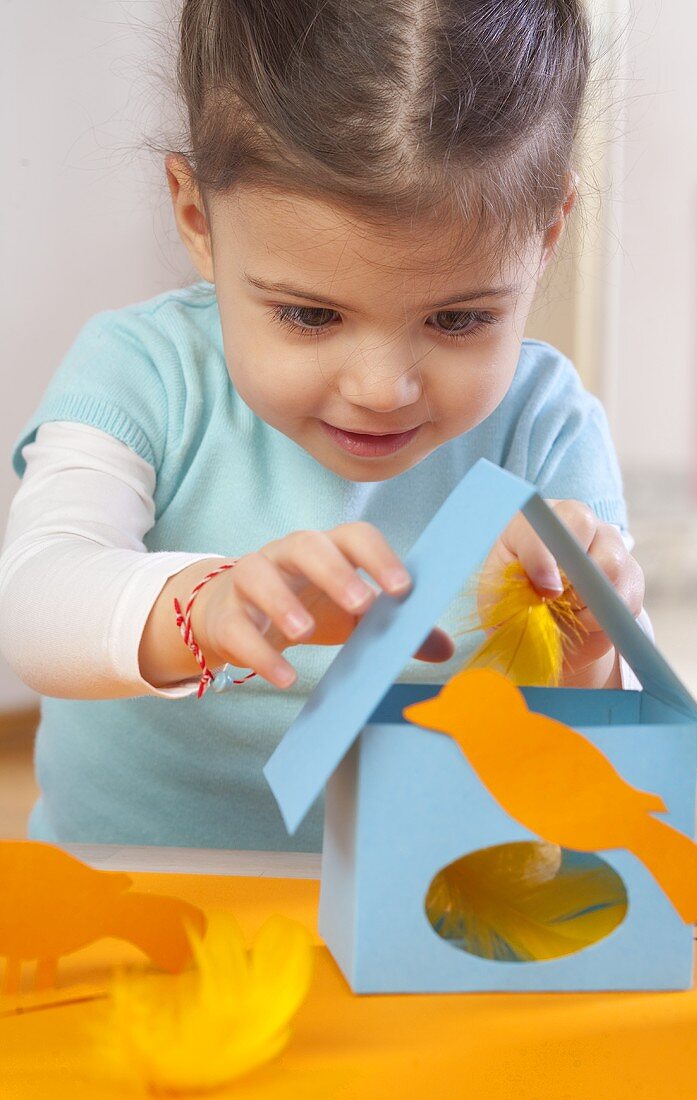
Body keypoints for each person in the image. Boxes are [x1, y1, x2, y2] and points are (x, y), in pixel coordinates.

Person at [0, 0, 645, 851]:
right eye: (309, 315)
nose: (382, 389)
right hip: (137, 907)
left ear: (548, 233)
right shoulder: (145, 372)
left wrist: (591, 654)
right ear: (196, 219)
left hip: (420, 924)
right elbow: (35, 602)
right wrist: (205, 603)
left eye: (458, 320)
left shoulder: (545, 425)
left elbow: (604, 749)